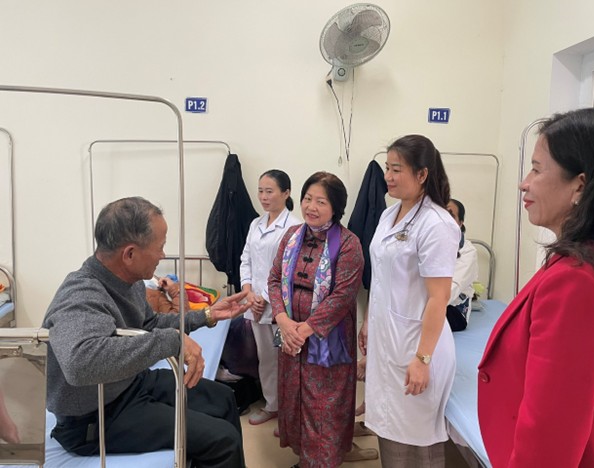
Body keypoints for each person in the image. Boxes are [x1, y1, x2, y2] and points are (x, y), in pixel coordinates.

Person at [42, 196, 250, 468]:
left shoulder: (129, 282)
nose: (163, 255)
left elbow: (149, 326)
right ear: (129, 254)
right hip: (95, 418)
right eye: (160, 247)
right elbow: (79, 364)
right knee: (223, 441)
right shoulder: (81, 294)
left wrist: (206, 316)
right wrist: (173, 341)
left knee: (223, 398)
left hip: (128, 385)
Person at [478, 108, 594, 467]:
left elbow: (548, 441)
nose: (524, 183)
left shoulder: (578, 283)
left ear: (580, 186)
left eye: (537, 169)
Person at [359, 135, 460, 467]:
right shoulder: (389, 215)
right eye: (387, 168)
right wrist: (368, 322)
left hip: (417, 345)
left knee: (417, 441)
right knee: (389, 431)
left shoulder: (437, 224)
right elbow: (381, 278)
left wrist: (422, 359)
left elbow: (439, 297)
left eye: (396, 169)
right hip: (388, 341)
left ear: (422, 174)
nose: (388, 176)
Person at [268, 171, 374, 467]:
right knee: (295, 398)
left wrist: (304, 329)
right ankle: (305, 457)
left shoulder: (349, 244)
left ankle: (321, 461)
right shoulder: (291, 236)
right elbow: (274, 279)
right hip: (290, 335)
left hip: (326, 339)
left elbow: (342, 296)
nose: (311, 207)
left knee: (323, 405)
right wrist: (282, 320)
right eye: (307, 198)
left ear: (336, 207)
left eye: (321, 202)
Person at [239, 169, 301, 425]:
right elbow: (246, 259)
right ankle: (273, 405)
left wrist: (263, 297)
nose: (264, 197)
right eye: (261, 191)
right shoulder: (256, 223)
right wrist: (248, 292)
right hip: (254, 304)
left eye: (269, 191)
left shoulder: (295, 226)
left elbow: (288, 269)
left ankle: (290, 409)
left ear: (286, 193)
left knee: (284, 357)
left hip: (279, 306)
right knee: (265, 356)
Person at [446, 198, 479, 331]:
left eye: (450, 215)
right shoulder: (426, 245)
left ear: (460, 223)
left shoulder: (467, 251)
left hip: (453, 309)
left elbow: (452, 290)